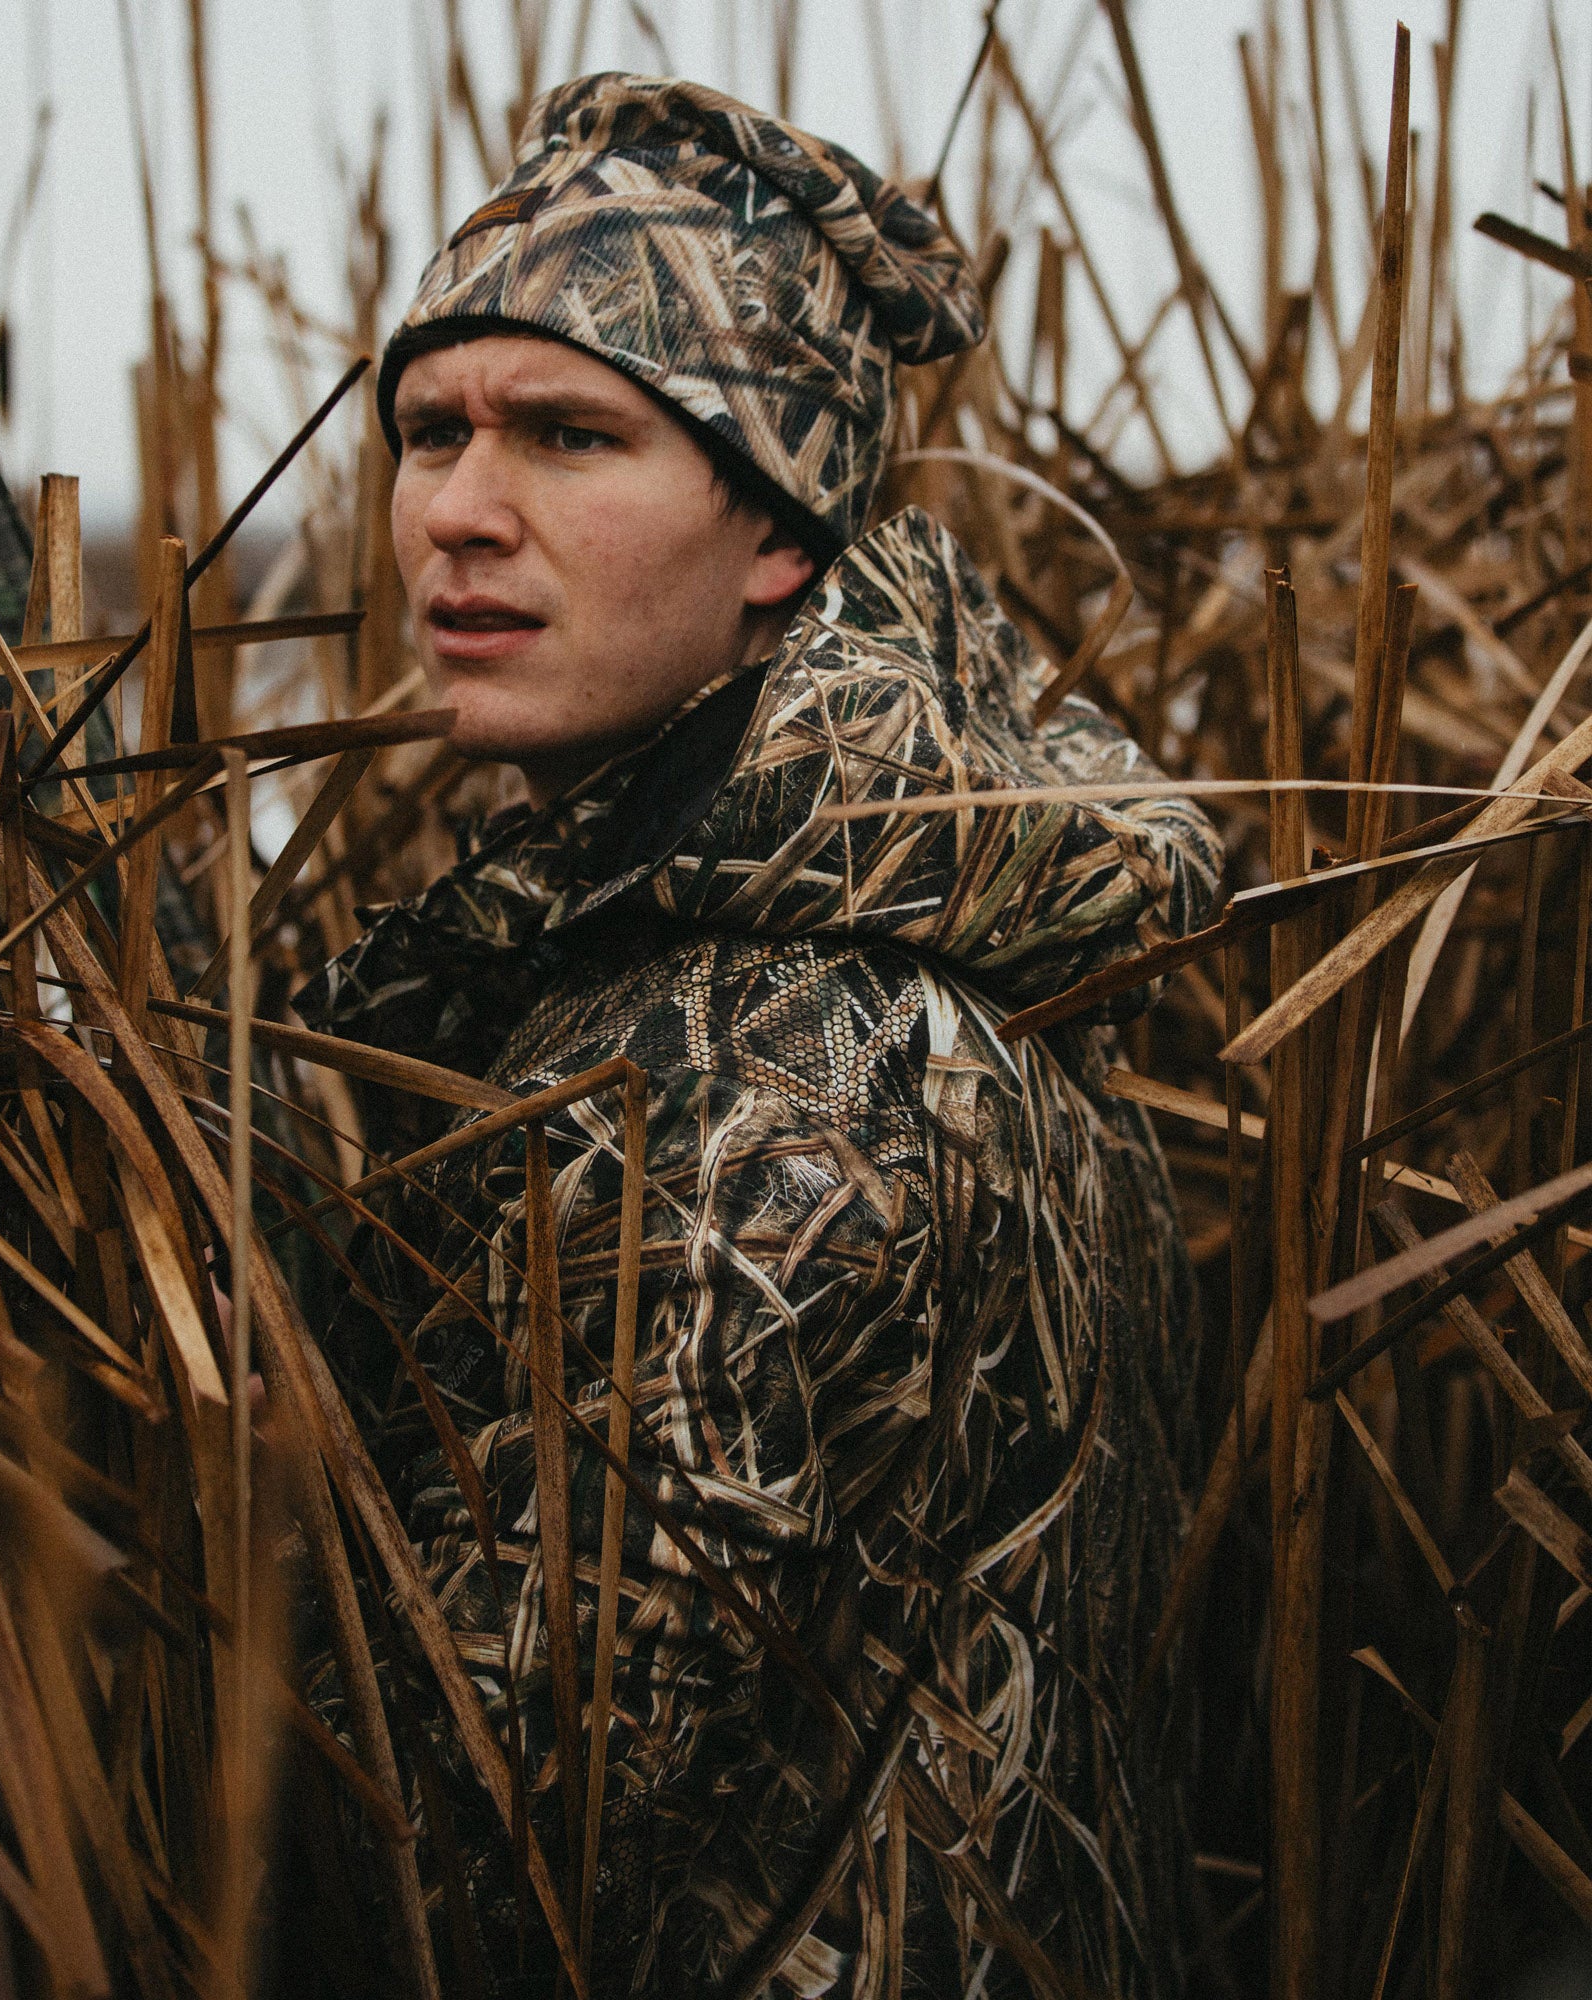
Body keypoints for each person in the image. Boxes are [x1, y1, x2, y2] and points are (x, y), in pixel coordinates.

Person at [291, 72, 1224, 1999]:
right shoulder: (958, 925)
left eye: (570, 435)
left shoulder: (748, 1068)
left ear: (780, 532)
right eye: (428, 431)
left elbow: (460, 1855)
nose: (459, 513)